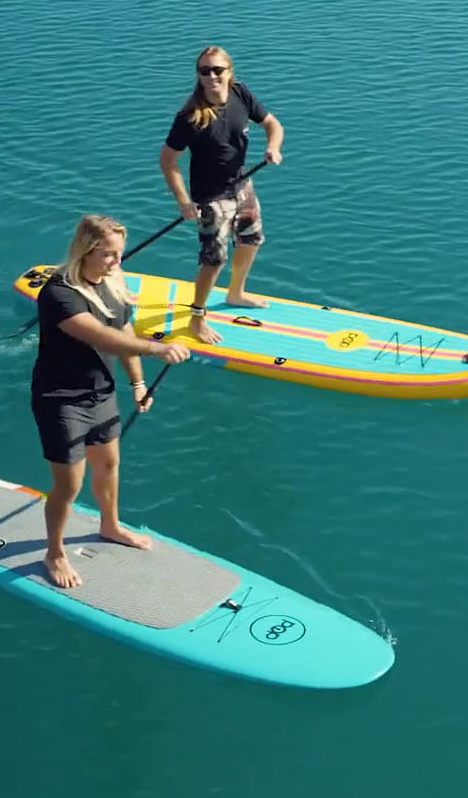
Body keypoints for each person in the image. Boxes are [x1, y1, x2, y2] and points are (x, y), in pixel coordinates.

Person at [31, 213, 191, 589]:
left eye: (119, 253)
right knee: (69, 486)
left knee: (108, 464)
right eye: (109, 254)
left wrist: (138, 382)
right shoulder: (59, 293)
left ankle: (110, 525)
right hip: (61, 400)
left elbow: (123, 329)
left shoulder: (112, 282)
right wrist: (157, 349)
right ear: (85, 251)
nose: (117, 261)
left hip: (100, 393)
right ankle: (54, 552)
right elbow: (99, 336)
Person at [158, 45, 284, 345]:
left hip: (242, 185)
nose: (212, 76)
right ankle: (197, 318)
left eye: (218, 70)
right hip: (211, 199)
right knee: (213, 260)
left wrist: (273, 147)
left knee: (251, 240)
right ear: (198, 75)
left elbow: (272, 124)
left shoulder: (241, 94)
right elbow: (167, 160)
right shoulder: (190, 117)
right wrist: (184, 201)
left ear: (229, 72)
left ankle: (235, 293)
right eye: (205, 71)